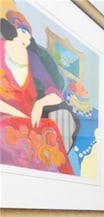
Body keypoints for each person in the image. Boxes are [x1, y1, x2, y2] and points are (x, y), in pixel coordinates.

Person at [0, 9, 74, 175]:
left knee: (50, 130)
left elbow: (55, 94)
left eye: (29, 34)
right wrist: (16, 114)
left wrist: (41, 103)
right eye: (23, 31)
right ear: (11, 29)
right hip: (4, 120)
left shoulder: (32, 59)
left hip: (29, 123)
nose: (27, 39)